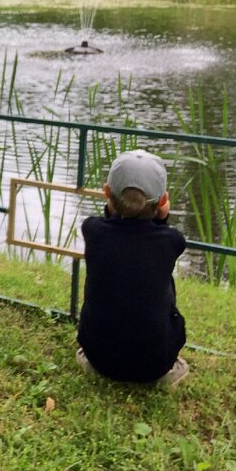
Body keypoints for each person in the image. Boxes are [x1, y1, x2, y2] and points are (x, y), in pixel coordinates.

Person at [76, 149, 189, 387]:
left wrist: (116, 212)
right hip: (153, 365)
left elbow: (108, 223)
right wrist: (160, 219)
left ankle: (92, 360)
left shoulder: (92, 231)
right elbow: (157, 237)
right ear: (163, 201)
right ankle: (167, 373)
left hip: (99, 358)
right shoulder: (172, 242)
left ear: (107, 193)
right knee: (175, 320)